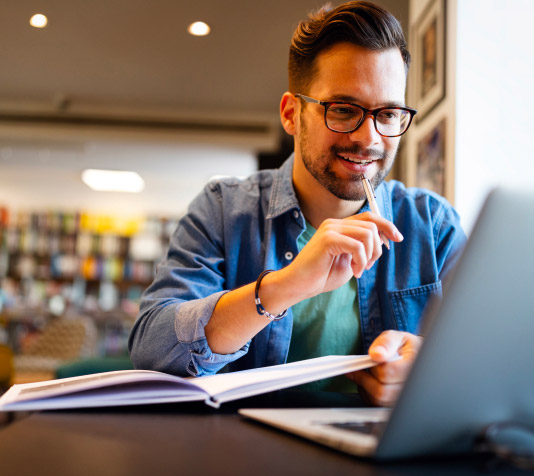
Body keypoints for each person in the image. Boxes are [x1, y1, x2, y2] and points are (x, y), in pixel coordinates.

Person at [129, 1, 466, 406]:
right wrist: (284, 286)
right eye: (343, 110)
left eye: (388, 113)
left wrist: (427, 371)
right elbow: (152, 347)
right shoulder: (223, 209)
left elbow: (496, 360)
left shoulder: (433, 225)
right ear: (292, 114)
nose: (369, 138)